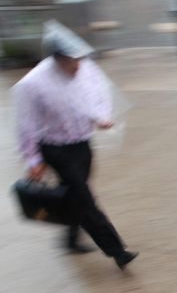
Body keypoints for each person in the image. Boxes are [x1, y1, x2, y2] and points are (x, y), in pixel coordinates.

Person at [13, 21, 137, 270]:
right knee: (85, 198)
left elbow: (98, 93)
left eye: (79, 58)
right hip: (55, 149)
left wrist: (102, 116)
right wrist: (33, 160)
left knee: (73, 195)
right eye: (71, 60)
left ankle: (69, 239)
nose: (77, 65)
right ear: (56, 58)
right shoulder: (32, 84)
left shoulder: (85, 68)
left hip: (82, 144)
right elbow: (26, 125)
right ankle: (117, 251)